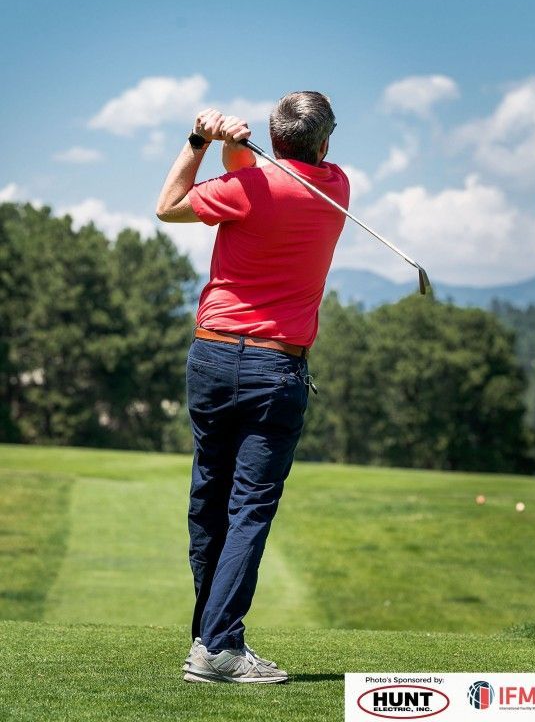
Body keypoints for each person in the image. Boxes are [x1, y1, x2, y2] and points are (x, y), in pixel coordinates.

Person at [156, 90, 349, 683]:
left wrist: (202, 141)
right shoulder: (334, 186)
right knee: (249, 509)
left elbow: (169, 206)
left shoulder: (243, 191)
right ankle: (218, 647)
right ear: (323, 141)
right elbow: (266, 182)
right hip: (274, 369)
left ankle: (208, 638)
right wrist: (237, 151)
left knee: (209, 503)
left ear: (274, 137)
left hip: (211, 359)